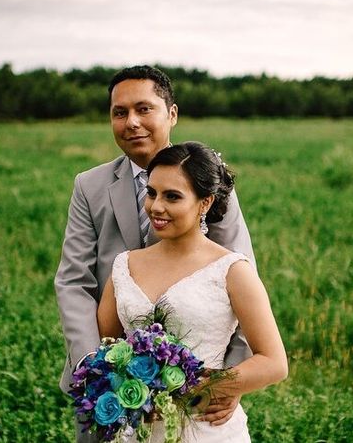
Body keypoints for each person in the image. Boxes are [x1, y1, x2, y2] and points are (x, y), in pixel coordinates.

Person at [55, 66, 256, 442]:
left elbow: (241, 274)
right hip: (109, 389)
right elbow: (73, 280)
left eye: (144, 109)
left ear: (172, 114)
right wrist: (96, 372)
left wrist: (229, 381)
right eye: (119, 112)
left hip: (199, 394)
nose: (132, 122)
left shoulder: (208, 179)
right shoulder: (89, 185)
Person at [97, 142, 288, 442]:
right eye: (151, 193)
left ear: (205, 203)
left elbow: (274, 363)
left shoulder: (233, 271)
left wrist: (205, 388)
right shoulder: (125, 265)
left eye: (172, 196)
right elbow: (105, 348)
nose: (156, 206)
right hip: (137, 430)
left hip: (205, 427)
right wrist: (128, 386)